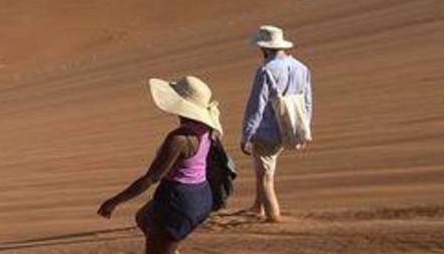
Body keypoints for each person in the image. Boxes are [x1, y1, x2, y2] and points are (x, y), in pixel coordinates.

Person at [98, 76, 222, 254]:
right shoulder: (207, 129)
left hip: (179, 201)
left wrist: (114, 202)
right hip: (202, 195)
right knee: (143, 217)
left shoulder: (179, 139)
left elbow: (151, 178)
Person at [241, 25, 313, 223]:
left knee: (266, 177)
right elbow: (307, 101)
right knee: (264, 168)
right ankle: (258, 206)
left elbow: (256, 106)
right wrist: (303, 128)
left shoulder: (265, 71)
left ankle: (273, 216)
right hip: (288, 128)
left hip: (267, 131)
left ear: (264, 48)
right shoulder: (302, 68)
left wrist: (247, 135)